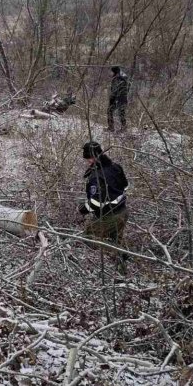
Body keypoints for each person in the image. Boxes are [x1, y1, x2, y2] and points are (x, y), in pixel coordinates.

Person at [78, 141, 130, 273]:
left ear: (93, 157)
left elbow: (96, 202)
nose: (87, 162)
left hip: (109, 216)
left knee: (88, 237)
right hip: (123, 211)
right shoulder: (116, 167)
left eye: (88, 159)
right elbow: (125, 186)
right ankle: (122, 272)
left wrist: (83, 209)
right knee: (115, 238)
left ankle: (122, 253)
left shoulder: (96, 176)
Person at [107, 66, 130, 132]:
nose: (111, 73)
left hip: (117, 99)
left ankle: (111, 128)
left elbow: (114, 90)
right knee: (122, 113)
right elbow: (127, 89)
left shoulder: (117, 79)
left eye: (112, 72)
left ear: (115, 71)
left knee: (110, 111)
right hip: (123, 99)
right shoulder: (125, 78)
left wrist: (112, 99)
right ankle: (124, 128)